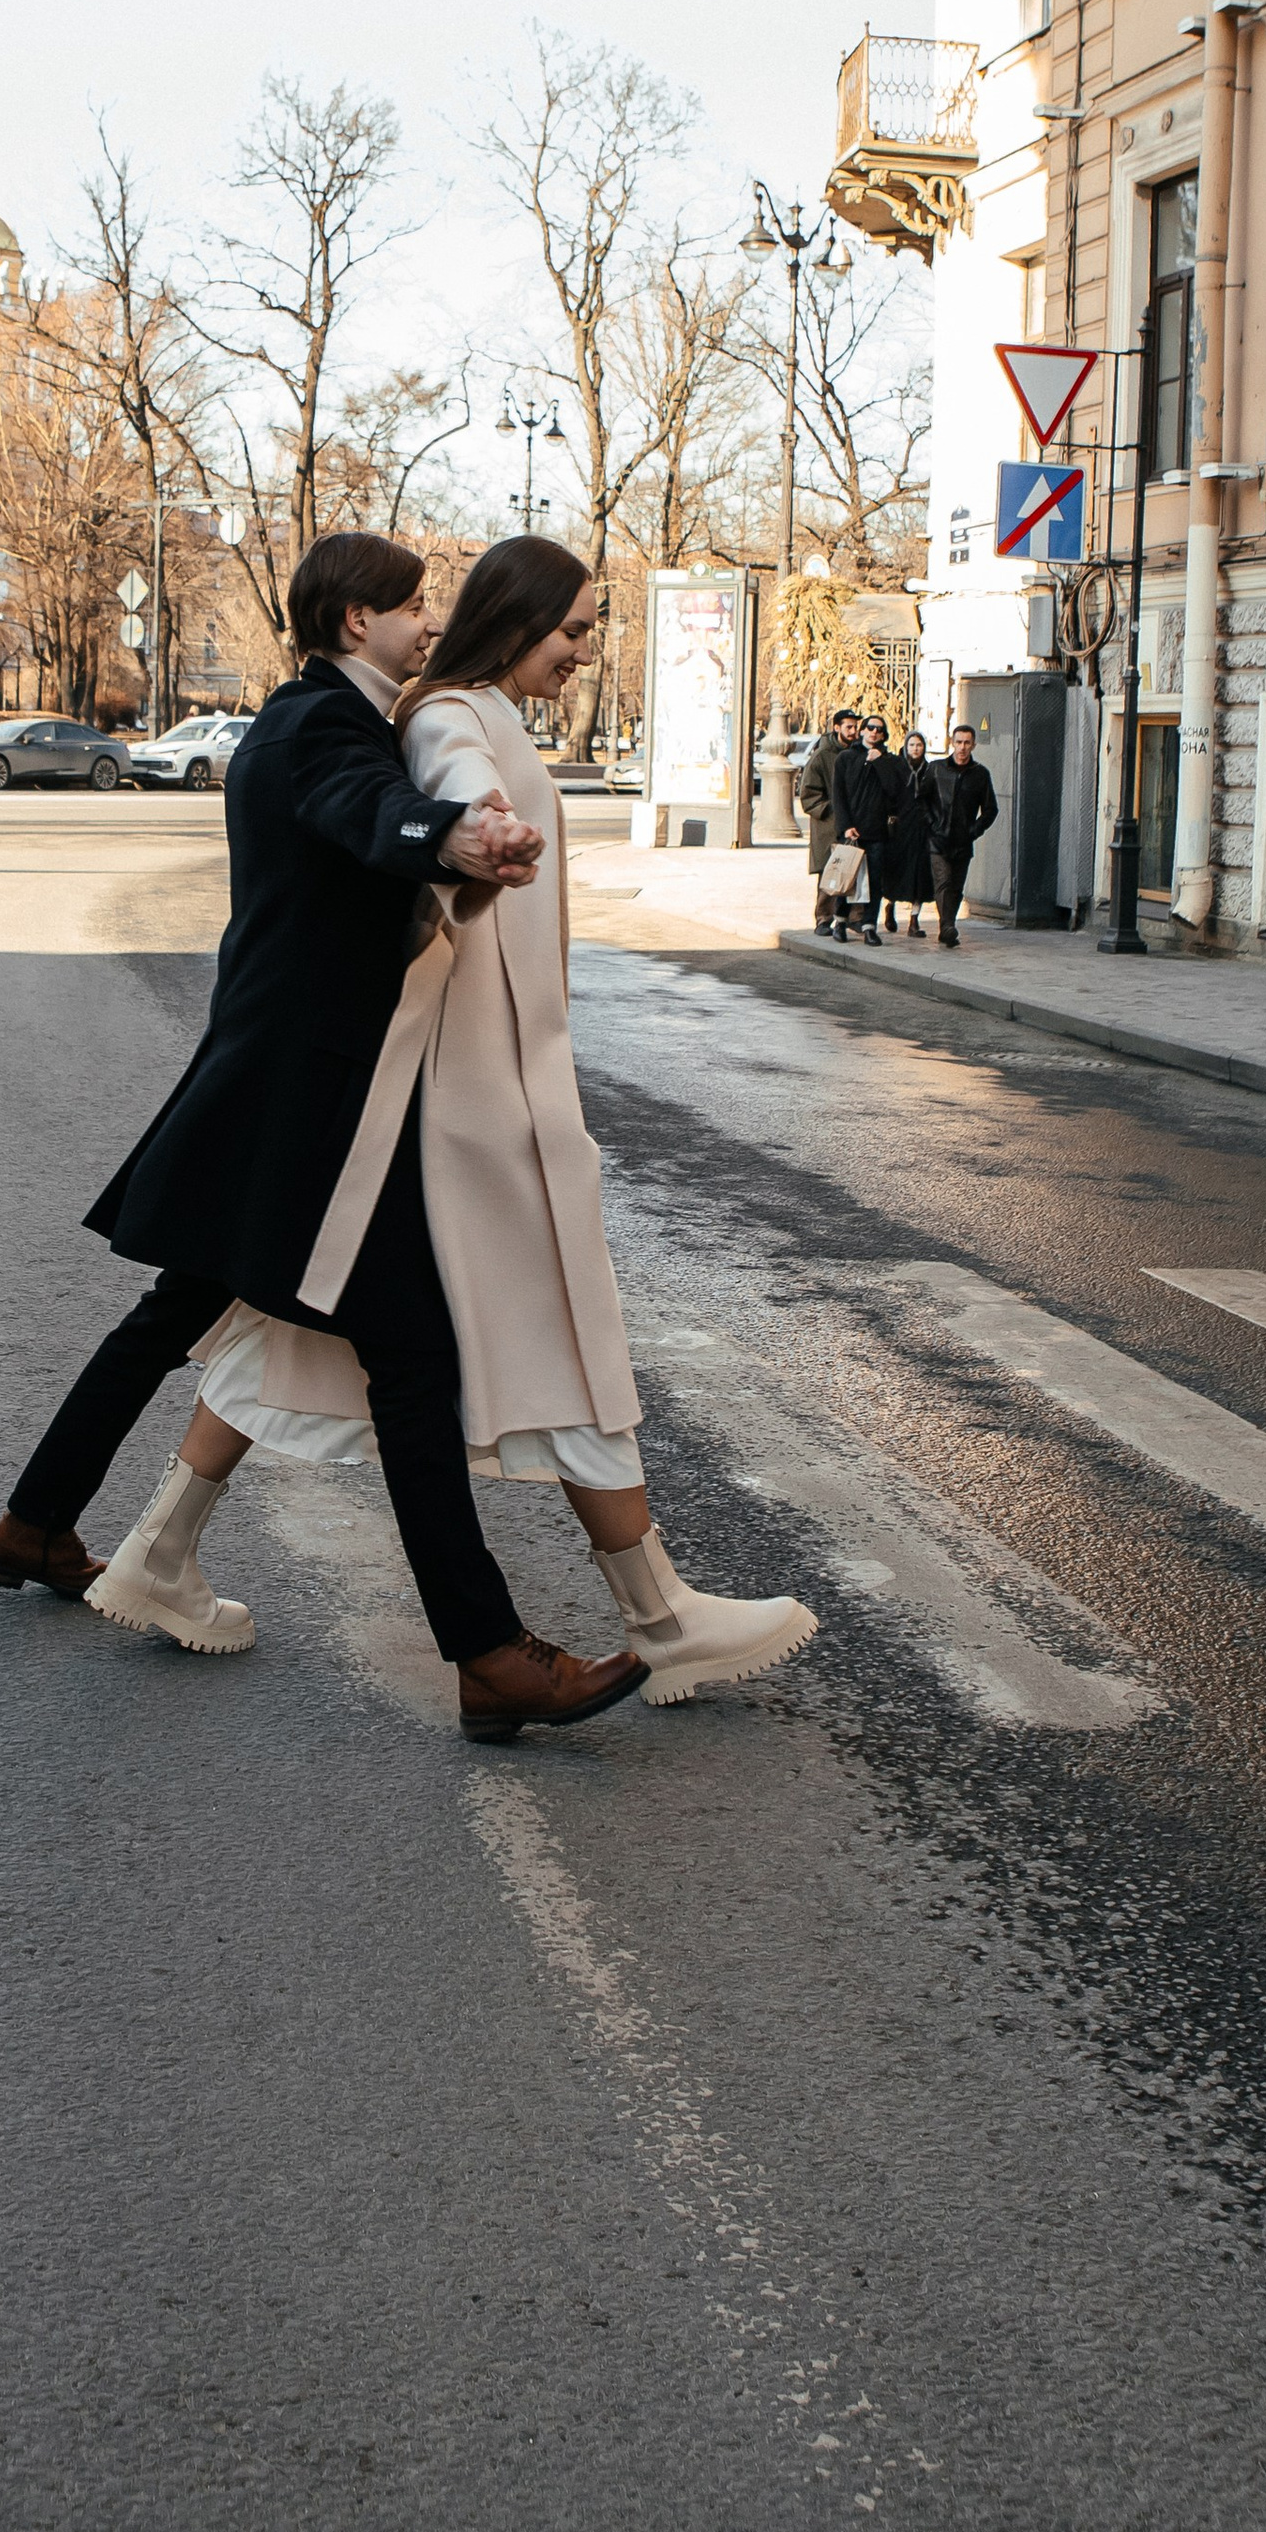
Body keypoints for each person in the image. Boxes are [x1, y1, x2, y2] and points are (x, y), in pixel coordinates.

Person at [0, 528, 649, 1743]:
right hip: (307, 1107)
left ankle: (35, 1521)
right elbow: (367, 812)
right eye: (410, 608)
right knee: (411, 1361)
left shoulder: (315, 717)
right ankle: (489, 1655)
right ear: (354, 623)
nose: (427, 624)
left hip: (272, 1093)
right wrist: (454, 839)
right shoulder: (318, 728)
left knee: (174, 1314)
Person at [121, 537, 817, 1710]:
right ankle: (657, 1613)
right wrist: (475, 834)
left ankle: (158, 1548)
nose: (585, 651)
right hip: (472, 1102)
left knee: (317, 1339)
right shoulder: (458, 712)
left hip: (492, 1085)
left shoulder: (481, 706)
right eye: (576, 628)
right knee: (562, 1335)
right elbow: (450, 792)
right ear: (524, 615)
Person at [920, 720, 1001, 948]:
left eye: (967, 743)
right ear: (952, 743)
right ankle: (947, 927)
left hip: (963, 841)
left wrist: (973, 831)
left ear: (973, 745)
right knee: (943, 882)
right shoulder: (937, 769)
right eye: (958, 742)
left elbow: (990, 809)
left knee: (956, 887)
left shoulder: (980, 774)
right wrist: (932, 824)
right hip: (938, 840)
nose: (962, 747)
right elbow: (922, 800)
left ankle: (948, 924)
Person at [835, 717, 911, 948]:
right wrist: (845, 825)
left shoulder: (891, 761)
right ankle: (839, 921)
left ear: (884, 734)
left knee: (875, 880)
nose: (874, 732)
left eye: (879, 729)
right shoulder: (847, 757)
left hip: (877, 831)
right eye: (870, 728)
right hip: (852, 830)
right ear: (862, 731)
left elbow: (895, 791)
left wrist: (880, 763)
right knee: (847, 878)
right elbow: (839, 795)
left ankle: (869, 926)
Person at [800, 705, 864, 933]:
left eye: (856, 727)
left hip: (854, 824)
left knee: (855, 869)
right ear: (836, 728)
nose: (853, 731)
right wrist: (831, 809)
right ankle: (823, 918)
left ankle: (854, 917)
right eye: (848, 726)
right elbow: (808, 794)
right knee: (829, 872)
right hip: (828, 826)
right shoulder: (822, 756)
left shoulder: (860, 753)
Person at [884, 726, 935, 939]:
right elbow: (888, 793)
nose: (915, 749)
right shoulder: (898, 767)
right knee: (896, 871)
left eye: (919, 745)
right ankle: (890, 906)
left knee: (920, 876)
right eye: (912, 745)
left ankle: (914, 920)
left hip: (922, 829)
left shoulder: (930, 770)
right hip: (899, 829)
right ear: (906, 747)